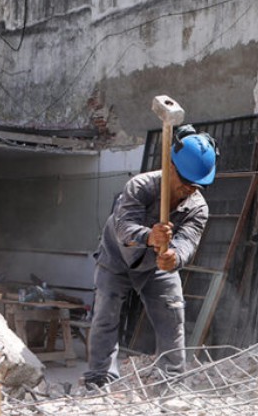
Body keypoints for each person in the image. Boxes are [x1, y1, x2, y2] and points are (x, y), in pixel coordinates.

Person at [83, 127, 218, 388]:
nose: (189, 190)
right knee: (106, 313)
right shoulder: (140, 186)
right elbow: (124, 227)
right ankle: (99, 378)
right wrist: (150, 236)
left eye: (196, 186)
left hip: (156, 266)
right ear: (170, 166)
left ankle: (173, 382)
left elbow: (187, 242)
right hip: (117, 257)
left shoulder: (198, 207)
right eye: (185, 182)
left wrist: (174, 257)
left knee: (173, 313)